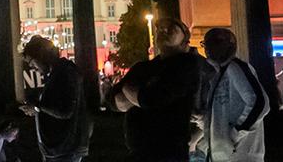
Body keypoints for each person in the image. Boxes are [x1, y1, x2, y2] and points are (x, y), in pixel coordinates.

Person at [108, 17, 203, 162]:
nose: (163, 31)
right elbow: (112, 100)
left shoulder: (186, 65)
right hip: (138, 151)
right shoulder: (143, 67)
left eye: (171, 28)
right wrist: (138, 96)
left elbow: (153, 99)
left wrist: (128, 90)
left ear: (185, 37)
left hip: (169, 152)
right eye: (159, 28)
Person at [195, 28, 269, 162]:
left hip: (241, 154)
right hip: (223, 155)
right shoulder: (216, 77)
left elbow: (259, 103)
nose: (210, 47)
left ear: (231, 44)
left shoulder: (235, 67)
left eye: (217, 41)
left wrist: (235, 134)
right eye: (207, 43)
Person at [19, 35, 91, 162]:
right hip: (61, 149)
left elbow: (65, 110)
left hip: (64, 148)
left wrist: (37, 107)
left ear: (40, 56)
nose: (32, 67)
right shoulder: (60, 72)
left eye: (32, 62)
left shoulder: (64, 73)